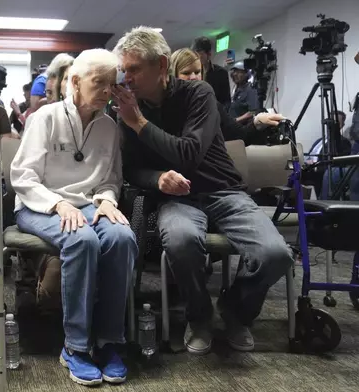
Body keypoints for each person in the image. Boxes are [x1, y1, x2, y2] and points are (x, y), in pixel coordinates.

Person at [113, 26, 293, 355]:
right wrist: (157, 179)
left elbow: (189, 153)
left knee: (276, 255)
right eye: (124, 69)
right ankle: (200, 316)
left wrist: (138, 124)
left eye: (134, 69)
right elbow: (130, 170)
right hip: (177, 200)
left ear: (161, 64)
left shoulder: (198, 95)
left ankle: (236, 311)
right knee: (181, 242)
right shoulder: (129, 107)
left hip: (224, 193)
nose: (127, 77)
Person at [11, 48, 136, 386]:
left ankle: (109, 341)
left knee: (123, 237)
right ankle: (75, 346)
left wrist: (108, 201)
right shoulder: (46, 117)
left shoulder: (110, 126)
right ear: (76, 82)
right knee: (81, 239)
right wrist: (57, 204)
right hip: (40, 206)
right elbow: (23, 176)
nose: (108, 91)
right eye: (100, 83)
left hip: (89, 204)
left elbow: (111, 179)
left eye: (113, 84)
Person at [169, 48, 284, 145]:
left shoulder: (211, 105)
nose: (194, 77)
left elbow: (239, 135)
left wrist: (257, 123)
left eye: (197, 72)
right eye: (186, 73)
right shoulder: (163, 106)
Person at [192, 36, 231, 107]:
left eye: (199, 55)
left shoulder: (221, 73)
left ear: (209, 54)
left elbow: (226, 101)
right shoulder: (192, 75)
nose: (196, 60)